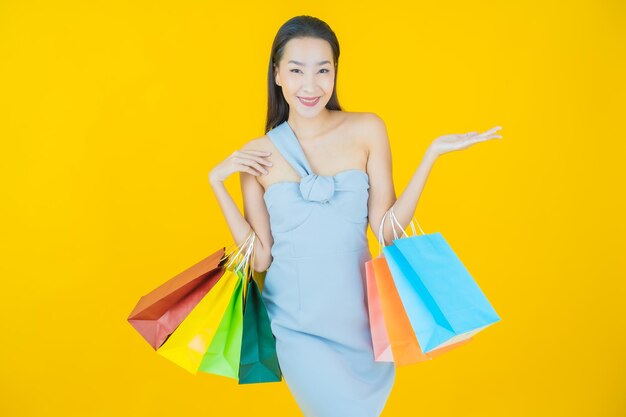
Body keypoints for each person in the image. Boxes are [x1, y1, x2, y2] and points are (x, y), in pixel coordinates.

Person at [208, 15, 502, 417]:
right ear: (277, 74)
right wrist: (216, 184)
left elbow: (387, 231)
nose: (310, 85)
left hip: (362, 322)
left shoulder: (367, 129)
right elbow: (259, 258)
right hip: (298, 325)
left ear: (335, 72)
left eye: (322, 70)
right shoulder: (256, 156)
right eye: (296, 70)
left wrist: (430, 156)